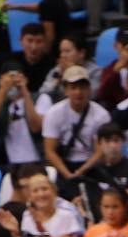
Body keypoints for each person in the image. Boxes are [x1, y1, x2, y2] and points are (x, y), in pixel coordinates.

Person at [42, 67, 113, 198]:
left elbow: (100, 151)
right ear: (66, 90)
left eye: (82, 88)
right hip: (63, 165)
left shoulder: (101, 115)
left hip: (91, 165)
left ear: (89, 89)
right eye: (73, 88)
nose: (78, 92)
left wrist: (81, 172)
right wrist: (68, 175)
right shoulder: (53, 113)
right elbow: (49, 151)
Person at [0, 171, 83, 237]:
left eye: (45, 189)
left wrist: (43, 231)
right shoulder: (27, 216)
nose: (41, 194)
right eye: (35, 191)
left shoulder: (66, 216)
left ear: (54, 191)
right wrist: (15, 233)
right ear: (30, 196)